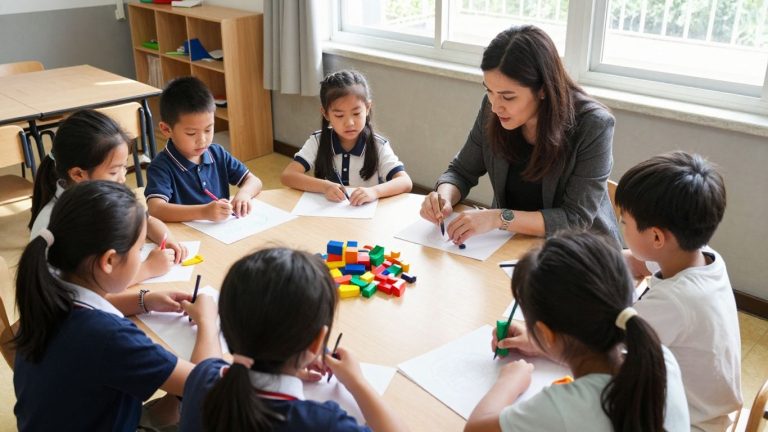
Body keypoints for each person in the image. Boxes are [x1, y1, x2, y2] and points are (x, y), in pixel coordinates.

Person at [14, 181, 222, 431]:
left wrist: (144, 300)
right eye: (139, 250)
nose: (143, 256)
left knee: (173, 391)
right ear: (109, 260)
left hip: (67, 418)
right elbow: (208, 387)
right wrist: (208, 323)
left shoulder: (47, 292)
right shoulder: (109, 337)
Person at [466, 231, 689, 432]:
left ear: (545, 334)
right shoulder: (661, 359)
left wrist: (508, 383)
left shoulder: (562, 408)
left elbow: (475, 429)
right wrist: (545, 348)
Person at [420, 25, 620, 245]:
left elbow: (575, 218)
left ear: (543, 89)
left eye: (508, 97)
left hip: (580, 252)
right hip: (512, 243)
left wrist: (498, 218)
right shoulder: (492, 108)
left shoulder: (594, 125)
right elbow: (461, 171)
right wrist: (443, 197)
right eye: (489, 90)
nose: (496, 107)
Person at [178, 248, 409, 432]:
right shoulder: (324, 424)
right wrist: (357, 382)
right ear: (318, 343)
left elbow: (207, 365)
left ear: (226, 324)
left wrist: (206, 322)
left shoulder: (201, 377)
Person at [616, 151, 741, 431]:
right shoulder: (703, 257)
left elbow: (606, 346)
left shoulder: (674, 300)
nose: (622, 227)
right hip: (708, 411)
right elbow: (637, 261)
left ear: (657, 237)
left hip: (687, 423)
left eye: (625, 223)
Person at [28, 109, 187, 283]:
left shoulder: (100, 192)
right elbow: (90, 287)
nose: (123, 178)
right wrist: (147, 268)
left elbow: (145, 221)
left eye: (124, 167)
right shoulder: (67, 219)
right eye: (113, 171)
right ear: (78, 174)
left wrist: (168, 241)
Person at [281, 70, 412, 206]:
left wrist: (374, 192)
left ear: (367, 108)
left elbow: (405, 182)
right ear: (326, 114)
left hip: (365, 216)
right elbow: (288, 176)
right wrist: (324, 186)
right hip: (327, 213)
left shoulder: (379, 145)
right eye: (339, 115)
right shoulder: (317, 141)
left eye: (356, 113)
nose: (349, 123)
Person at [145, 76, 263, 221]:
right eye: (191, 133)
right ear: (166, 129)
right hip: (184, 239)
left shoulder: (217, 153)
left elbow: (254, 181)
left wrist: (244, 194)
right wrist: (204, 212)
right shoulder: (161, 166)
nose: (202, 140)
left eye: (208, 130)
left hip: (220, 234)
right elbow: (156, 209)